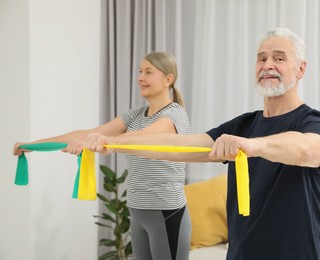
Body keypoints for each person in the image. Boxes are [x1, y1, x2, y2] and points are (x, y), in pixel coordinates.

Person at [85, 28, 320, 260]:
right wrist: (115, 143)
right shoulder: (243, 125)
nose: (267, 65)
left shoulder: (313, 122)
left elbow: (305, 149)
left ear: (301, 69)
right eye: (261, 58)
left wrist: (251, 146)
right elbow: (179, 145)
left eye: (279, 58)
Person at [13, 52, 192, 260]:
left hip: (166, 213)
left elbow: (145, 137)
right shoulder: (135, 115)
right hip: (137, 213)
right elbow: (87, 133)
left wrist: (105, 141)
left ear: (168, 79)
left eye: (148, 72)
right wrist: (32, 145)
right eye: (140, 71)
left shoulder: (175, 114)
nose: (140, 77)